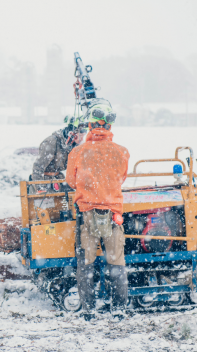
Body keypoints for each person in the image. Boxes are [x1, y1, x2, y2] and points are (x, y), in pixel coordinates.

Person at [65, 102, 130, 319]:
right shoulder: (122, 152)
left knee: (86, 263)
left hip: (88, 215)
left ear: (91, 125)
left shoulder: (77, 152)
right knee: (116, 262)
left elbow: (71, 182)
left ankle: (88, 311)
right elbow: (121, 178)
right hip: (114, 215)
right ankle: (119, 310)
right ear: (110, 126)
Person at [31, 116, 87, 193]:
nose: (81, 139)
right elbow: (38, 167)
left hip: (59, 179)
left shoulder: (74, 145)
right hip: (44, 181)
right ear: (71, 132)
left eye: (83, 136)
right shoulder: (51, 143)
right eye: (80, 135)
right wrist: (40, 188)